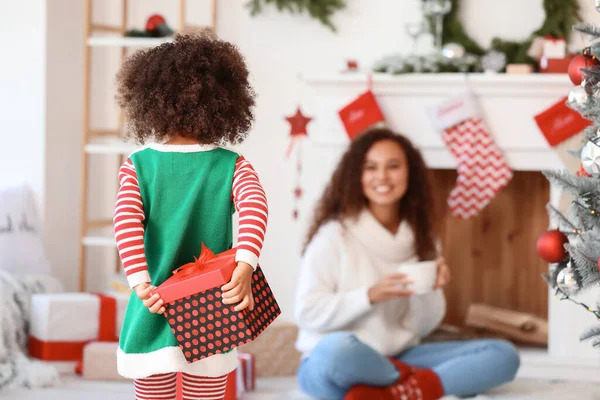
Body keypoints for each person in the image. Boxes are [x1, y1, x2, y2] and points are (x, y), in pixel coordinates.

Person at [294, 128, 520, 400]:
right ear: (357, 176)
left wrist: (430, 290)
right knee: (335, 351)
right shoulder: (334, 235)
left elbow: (422, 328)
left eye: (393, 166)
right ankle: (414, 386)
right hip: (340, 362)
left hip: (401, 354)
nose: (383, 177)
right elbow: (306, 312)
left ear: (409, 173)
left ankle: (387, 392)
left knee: (503, 355)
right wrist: (369, 296)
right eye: (371, 167)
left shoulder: (423, 237)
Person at [112, 32, 268, 400]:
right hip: (210, 305)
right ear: (225, 102)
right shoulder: (233, 166)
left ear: (149, 101)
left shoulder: (138, 166)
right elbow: (255, 209)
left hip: (155, 300)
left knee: (152, 389)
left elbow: (125, 225)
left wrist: (140, 282)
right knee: (207, 388)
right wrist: (244, 265)